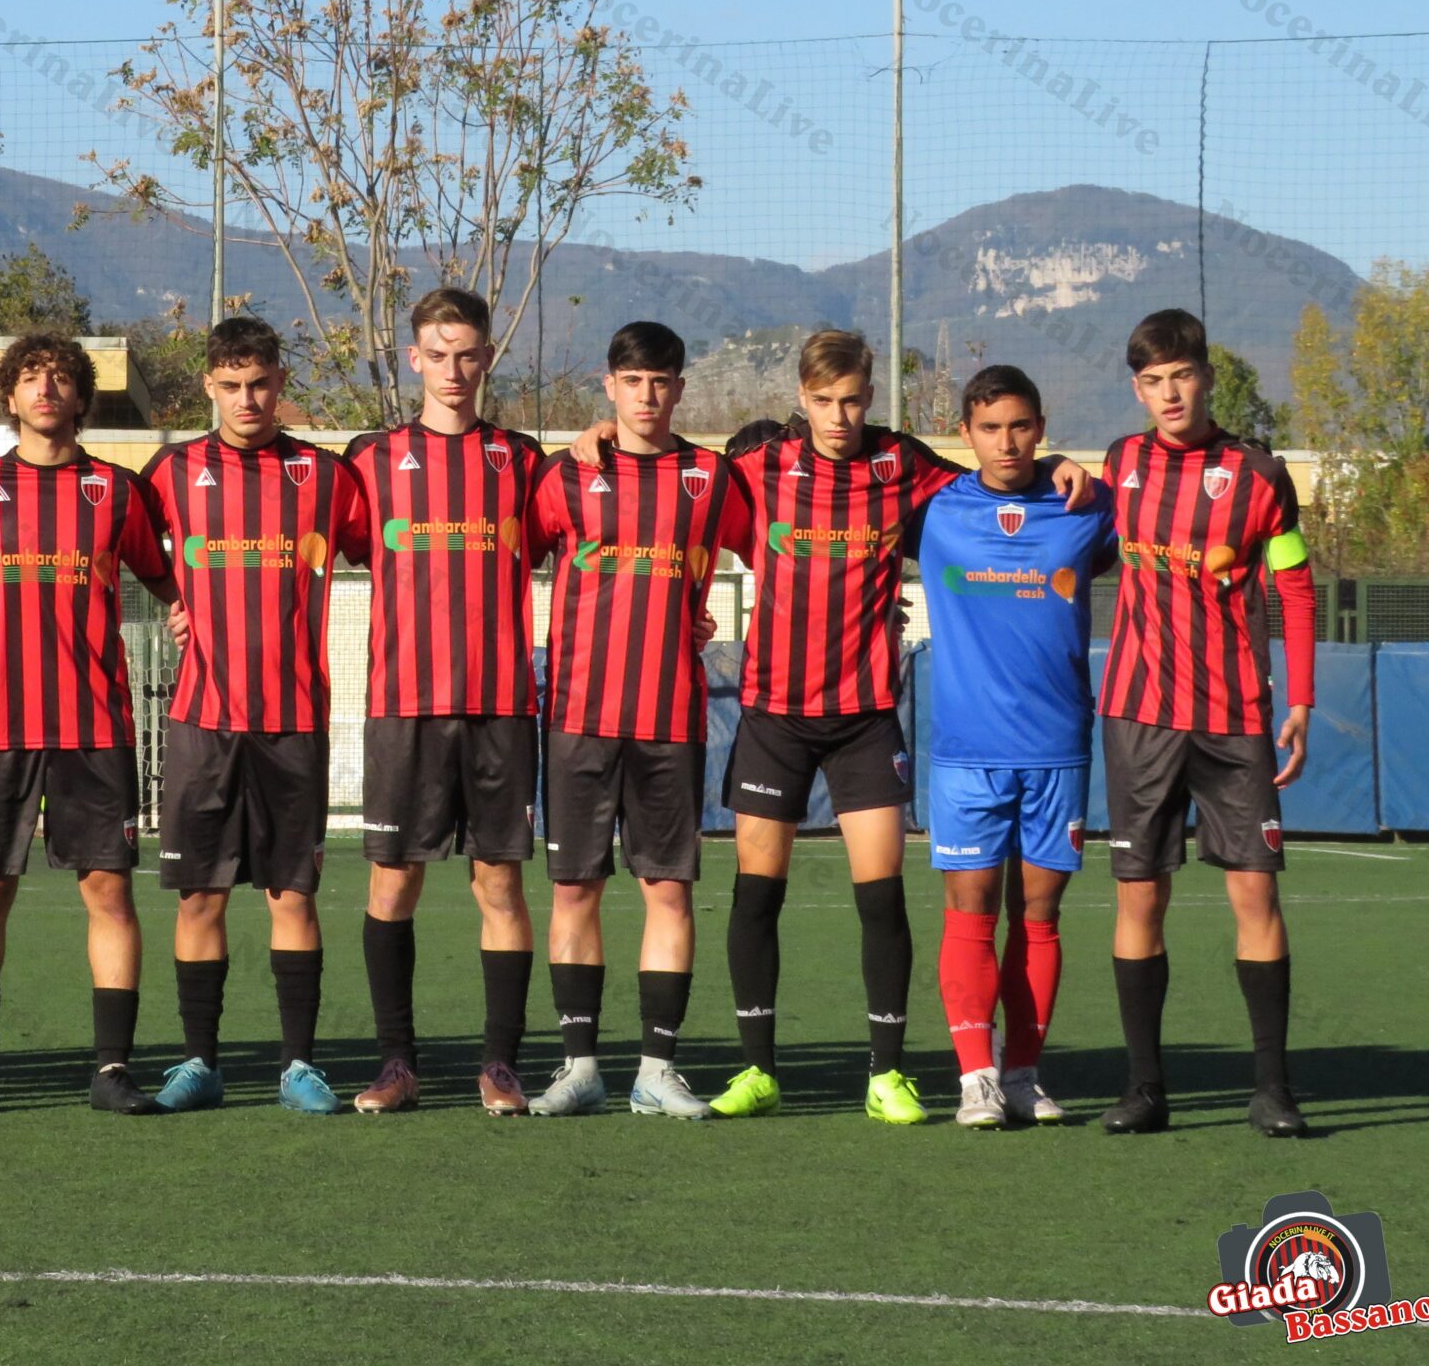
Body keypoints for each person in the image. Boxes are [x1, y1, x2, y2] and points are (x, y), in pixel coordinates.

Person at [578, 330, 1090, 1123]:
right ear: (802, 399)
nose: (840, 416)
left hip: (863, 719)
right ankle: (759, 1071)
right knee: (757, 896)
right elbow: (671, 469)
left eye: (852, 400)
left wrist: (1056, 469)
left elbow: (993, 483)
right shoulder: (759, 467)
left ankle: (886, 1074)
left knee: (880, 898)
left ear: (870, 395)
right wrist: (606, 433)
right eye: (823, 402)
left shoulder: (904, 466)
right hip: (775, 715)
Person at [0, 333, 176, 1117]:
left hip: (94, 727)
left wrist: (188, 613)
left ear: (82, 399)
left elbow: (164, 579)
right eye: (31, 378)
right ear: (9, 396)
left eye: (61, 380)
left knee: (109, 896)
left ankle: (111, 1071)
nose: (46, 391)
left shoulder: (118, 491)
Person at [1097, 310, 1316, 1137]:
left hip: (1235, 717)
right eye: (1152, 382)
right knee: (1139, 898)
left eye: (1180, 376)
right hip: (1138, 714)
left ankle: (1273, 1091)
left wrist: (1300, 698)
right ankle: (1145, 1092)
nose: (1168, 393)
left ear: (1207, 376)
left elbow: (1293, 585)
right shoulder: (1118, 464)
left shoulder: (1259, 475)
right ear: (1137, 390)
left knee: (1254, 892)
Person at [135, 316, 353, 1115]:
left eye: (259, 382)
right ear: (208, 388)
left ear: (280, 384)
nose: (247, 398)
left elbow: (403, 555)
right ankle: (200, 1062)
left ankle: (299, 1066)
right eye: (231, 385)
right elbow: (118, 546)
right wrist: (170, 602)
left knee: (292, 896)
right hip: (202, 720)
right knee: (201, 897)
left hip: (293, 719)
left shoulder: (329, 478)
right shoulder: (171, 469)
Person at [337, 288, 547, 1116]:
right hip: (404, 706)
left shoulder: (524, 461)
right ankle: (397, 1065)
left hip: (499, 707)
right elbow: (299, 547)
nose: (454, 370)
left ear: (486, 358)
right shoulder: (369, 460)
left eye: (469, 354)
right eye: (438, 353)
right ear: (413, 358)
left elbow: (598, 541)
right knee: (393, 886)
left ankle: (500, 1064)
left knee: (499, 886)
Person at [524, 321, 732, 1120]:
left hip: (670, 718)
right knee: (574, 891)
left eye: (662, 381)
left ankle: (656, 1070)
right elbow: (502, 555)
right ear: (609, 386)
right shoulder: (565, 475)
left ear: (680, 389)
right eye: (632, 381)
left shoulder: (711, 478)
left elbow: (788, 513)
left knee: (668, 893)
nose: (647, 396)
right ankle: (579, 1066)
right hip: (578, 714)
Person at [912, 365, 1117, 1127]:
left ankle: (1025, 1072)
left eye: (1022, 426)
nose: (1007, 442)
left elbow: (1160, 519)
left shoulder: (1085, 509)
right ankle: (977, 1079)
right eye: (990, 428)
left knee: (1039, 917)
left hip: (1059, 746)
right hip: (967, 751)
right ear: (964, 434)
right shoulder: (932, 508)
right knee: (968, 912)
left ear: (1042, 426)